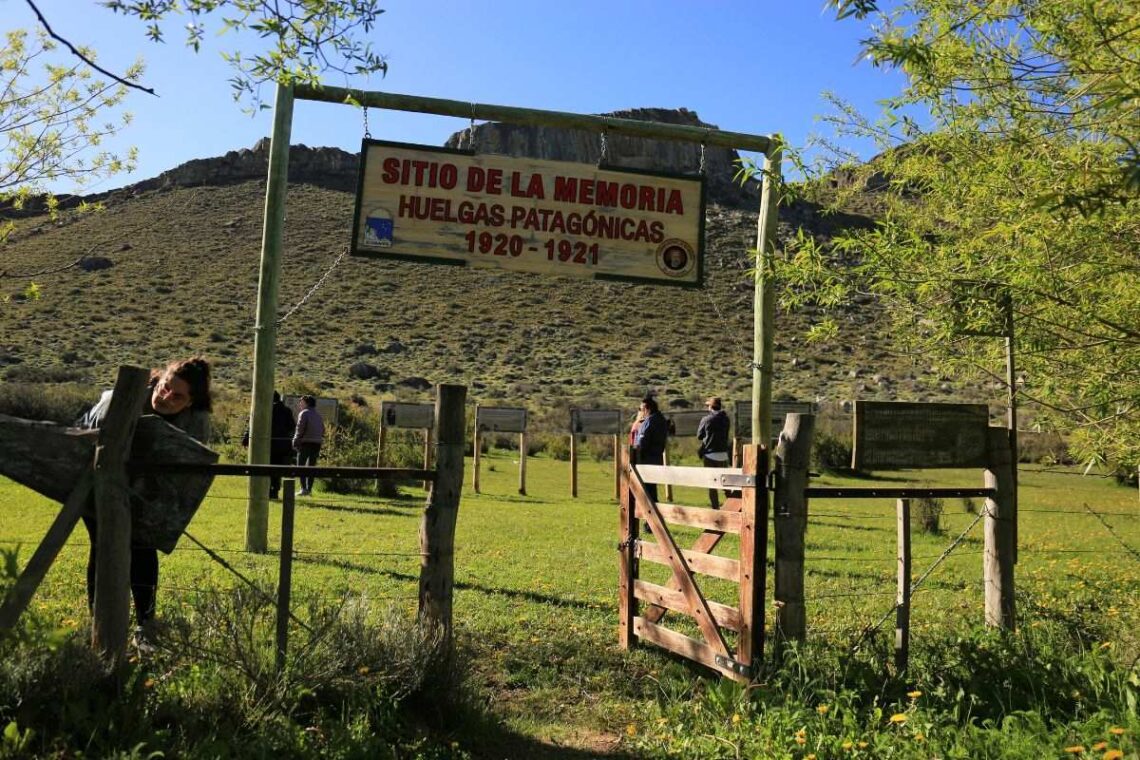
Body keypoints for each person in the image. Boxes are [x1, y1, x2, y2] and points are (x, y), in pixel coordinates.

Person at [77, 356, 212, 643]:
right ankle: (99, 625)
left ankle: (145, 627)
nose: (166, 397)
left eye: (177, 396)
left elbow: (190, 469)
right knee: (102, 546)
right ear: (158, 380)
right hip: (95, 482)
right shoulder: (121, 399)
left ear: (190, 403)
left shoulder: (196, 422)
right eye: (164, 387)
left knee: (143, 547)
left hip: (148, 491)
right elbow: (88, 443)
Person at [696, 396, 731, 508]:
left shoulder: (706, 420)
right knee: (726, 484)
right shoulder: (726, 419)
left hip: (710, 455)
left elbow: (699, 436)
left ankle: (715, 508)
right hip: (724, 455)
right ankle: (732, 504)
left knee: (712, 485)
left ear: (711, 407)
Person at [633, 396, 669, 503]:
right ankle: (651, 517)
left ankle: (650, 516)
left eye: (641, 409)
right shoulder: (662, 420)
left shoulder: (649, 421)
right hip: (657, 458)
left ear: (646, 408)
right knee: (652, 489)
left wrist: (636, 453)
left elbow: (642, 443)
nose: (641, 412)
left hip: (646, 460)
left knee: (646, 491)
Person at [292, 395, 325, 496]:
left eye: (301, 402)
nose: (300, 404)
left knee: (300, 466)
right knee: (312, 467)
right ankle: (309, 489)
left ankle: (303, 489)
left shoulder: (304, 413)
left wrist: (295, 440)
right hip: (317, 443)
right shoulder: (318, 415)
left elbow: (299, 429)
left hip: (305, 443)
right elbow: (323, 430)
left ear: (307, 403)